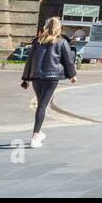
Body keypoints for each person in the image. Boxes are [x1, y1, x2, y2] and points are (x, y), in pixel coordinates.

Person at [20, 17, 78, 148]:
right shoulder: (62, 42)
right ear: (59, 27)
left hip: (36, 77)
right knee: (42, 106)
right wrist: (72, 76)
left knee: (41, 104)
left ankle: (38, 133)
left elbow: (29, 61)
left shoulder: (37, 41)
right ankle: (35, 137)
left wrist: (26, 78)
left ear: (46, 27)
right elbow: (68, 60)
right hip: (51, 78)